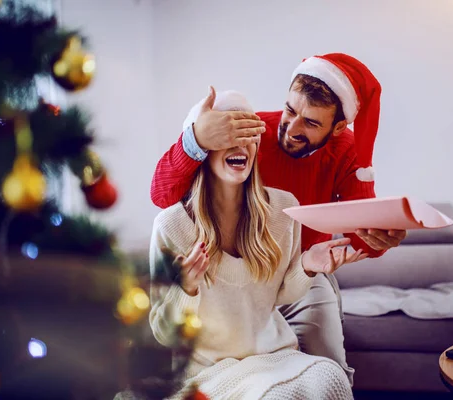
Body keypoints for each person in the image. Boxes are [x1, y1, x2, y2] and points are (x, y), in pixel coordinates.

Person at [149, 52, 407, 382]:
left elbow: (357, 241)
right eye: (290, 110)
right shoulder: (251, 131)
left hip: (304, 271)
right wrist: (195, 139)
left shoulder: (344, 150)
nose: (292, 128)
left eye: (312, 123)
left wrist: (373, 211)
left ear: (339, 126)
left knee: (331, 371)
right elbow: (162, 196)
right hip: (245, 283)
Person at [148, 91, 362, 399]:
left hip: (276, 357)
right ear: (204, 148)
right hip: (211, 371)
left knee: (332, 377)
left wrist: (307, 264)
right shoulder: (171, 227)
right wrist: (186, 289)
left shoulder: (282, 208)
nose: (240, 144)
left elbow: (280, 294)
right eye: (227, 135)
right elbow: (164, 334)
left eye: (248, 135)